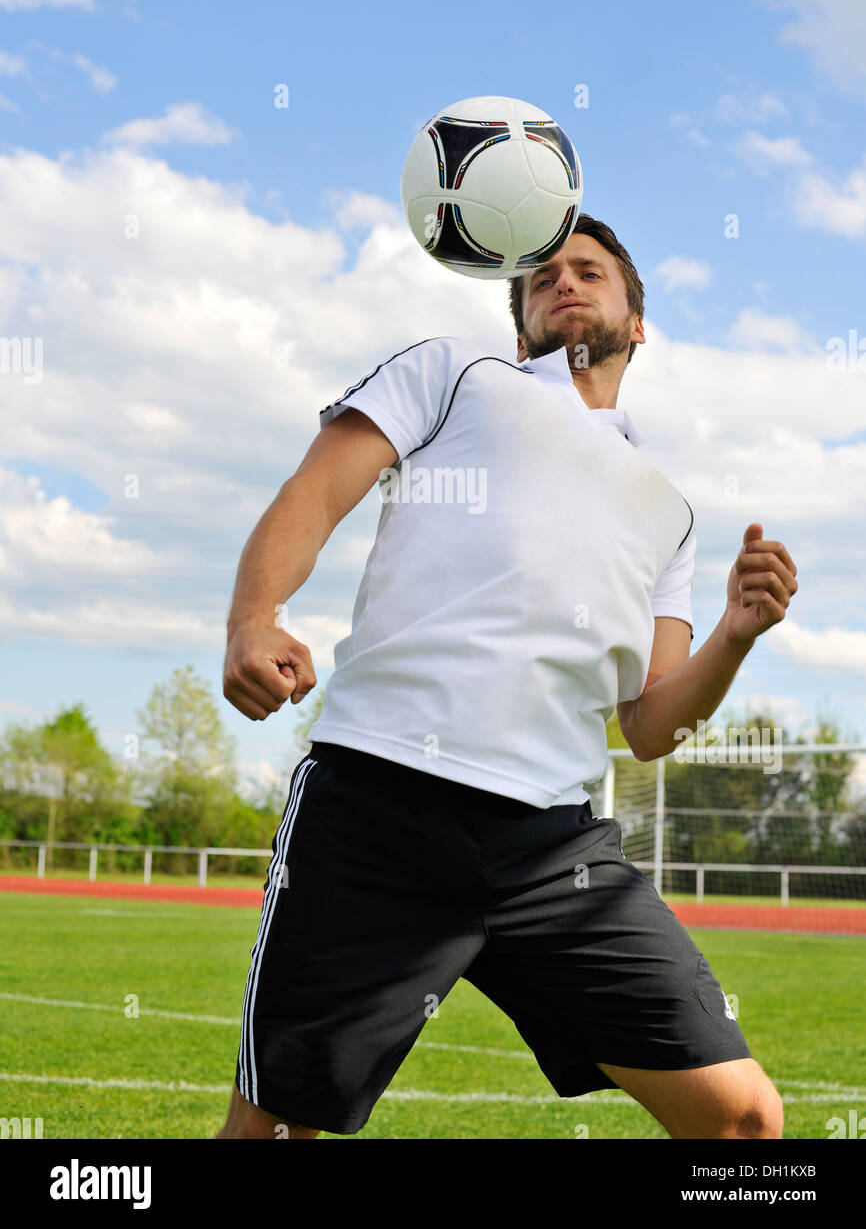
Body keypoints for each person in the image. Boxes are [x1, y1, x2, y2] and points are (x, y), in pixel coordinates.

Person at [217, 214, 798, 1140]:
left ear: (636, 321)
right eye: (541, 279)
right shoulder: (454, 374)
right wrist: (256, 618)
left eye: (590, 270)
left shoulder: (672, 513)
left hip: (555, 850)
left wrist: (735, 633)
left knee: (744, 1125)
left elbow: (648, 726)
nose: (564, 282)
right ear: (521, 321)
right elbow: (316, 493)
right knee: (273, 1135)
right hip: (377, 804)